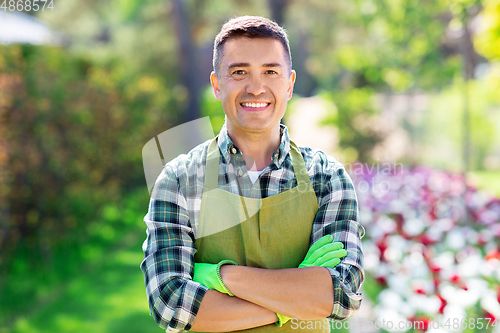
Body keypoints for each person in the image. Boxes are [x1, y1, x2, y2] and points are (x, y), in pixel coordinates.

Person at [140, 16, 365, 332]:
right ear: (217, 84)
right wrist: (297, 298)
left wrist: (221, 278)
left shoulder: (327, 178)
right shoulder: (178, 180)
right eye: (239, 72)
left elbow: (342, 296)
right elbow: (172, 305)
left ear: (289, 84)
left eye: (271, 72)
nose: (256, 87)